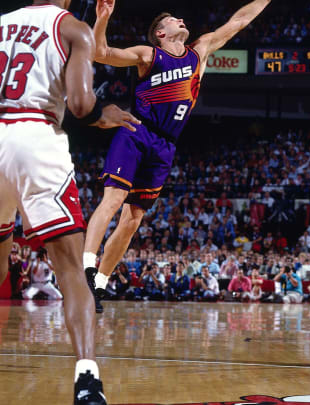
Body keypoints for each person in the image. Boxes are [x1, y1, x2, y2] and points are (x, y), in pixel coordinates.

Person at [83, 0, 273, 313]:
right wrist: (102, 18)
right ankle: (87, 268)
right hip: (137, 133)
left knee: (133, 220)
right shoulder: (149, 54)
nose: (181, 19)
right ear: (160, 32)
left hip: (167, 145)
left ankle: (100, 285)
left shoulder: (201, 49)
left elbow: (239, 20)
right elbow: (99, 52)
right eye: (173, 19)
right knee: (114, 201)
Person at [0, 1, 138, 403]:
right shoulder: (72, 28)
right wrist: (105, 113)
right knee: (72, 273)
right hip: (35, 136)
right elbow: (80, 105)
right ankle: (87, 379)